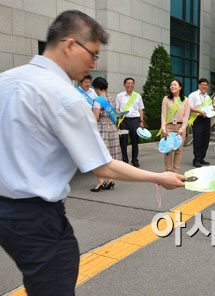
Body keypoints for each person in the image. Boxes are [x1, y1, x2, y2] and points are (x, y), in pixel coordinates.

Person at [0, 10, 184, 296]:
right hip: (35, 215)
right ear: (70, 45)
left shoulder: (6, 80)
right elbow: (104, 166)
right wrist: (159, 177)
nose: (93, 63)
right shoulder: (65, 97)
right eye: (93, 54)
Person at [90, 77, 121, 192]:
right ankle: (110, 180)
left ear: (97, 88)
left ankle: (100, 181)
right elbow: (117, 114)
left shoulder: (98, 100)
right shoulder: (111, 99)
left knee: (99, 156)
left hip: (102, 129)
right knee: (110, 156)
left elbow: (95, 117)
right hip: (112, 129)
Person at [160, 79, 191, 173]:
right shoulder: (166, 99)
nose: (172, 86)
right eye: (171, 85)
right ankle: (168, 171)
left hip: (180, 128)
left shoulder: (185, 100)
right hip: (168, 127)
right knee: (168, 150)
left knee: (178, 150)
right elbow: (163, 115)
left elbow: (186, 116)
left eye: (175, 85)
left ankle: (175, 172)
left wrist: (183, 129)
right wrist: (163, 128)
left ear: (180, 87)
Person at [116, 77, 144, 167]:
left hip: (135, 120)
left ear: (134, 85)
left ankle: (135, 160)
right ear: (124, 85)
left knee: (135, 141)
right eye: (128, 83)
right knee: (123, 141)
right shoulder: (119, 96)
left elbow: (141, 109)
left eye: (132, 83)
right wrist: (118, 114)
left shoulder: (138, 96)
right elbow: (117, 108)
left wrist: (141, 121)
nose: (130, 85)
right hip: (124, 121)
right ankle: (125, 160)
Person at [188, 78, 212, 167]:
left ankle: (202, 158)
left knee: (206, 139)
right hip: (197, 119)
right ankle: (196, 159)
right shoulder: (193, 95)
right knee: (197, 139)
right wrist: (199, 111)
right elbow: (189, 106)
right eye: (203, 84)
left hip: (206, 119)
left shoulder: (208, 97)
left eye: (206, 85)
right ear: (199, 85)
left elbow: (210, 108)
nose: (204, 86)